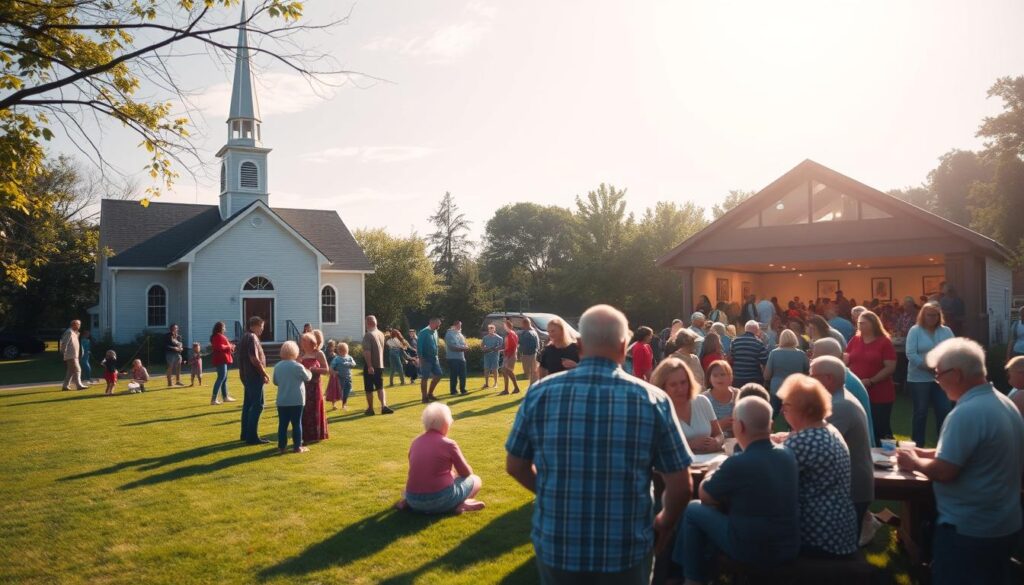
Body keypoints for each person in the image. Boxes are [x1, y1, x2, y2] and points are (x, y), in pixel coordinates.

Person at [505, 305, 693, 584]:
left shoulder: (540, 394)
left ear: (580, 345)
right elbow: (680, 486)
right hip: (626, 549)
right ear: (624, 346)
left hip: (559, 547)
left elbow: (516, 466)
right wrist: (664, 525)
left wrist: (548, 491)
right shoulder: (653, 400)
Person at [896, 338, 1024, 585]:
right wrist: (924, 453)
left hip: (970, 529)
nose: (938, 382)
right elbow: (976, 453)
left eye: (938, 375)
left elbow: (945, 471)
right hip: (1004, 523)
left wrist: (913, 462)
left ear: (956, 374)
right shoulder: (1003, 402)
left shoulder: (967, 413)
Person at [673, 397, 800, 584]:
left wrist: (714, 470)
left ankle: (691, 577)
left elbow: (705, 496)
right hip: (788, 546)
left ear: (739, 426)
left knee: (693, 509)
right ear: (771, 425)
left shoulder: (738, 463)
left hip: (750, 548)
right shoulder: (787, 455)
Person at [777, 374, 859, 558]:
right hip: (842, 531)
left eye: (787, 405)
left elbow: (770, 477)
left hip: (818, 536)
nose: (782, 410)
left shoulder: (804, 441)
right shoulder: (829, 430)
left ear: (804, 410)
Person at [810, 356, 874, 540]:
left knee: (841, 547)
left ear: (828, 378)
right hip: (851, 485)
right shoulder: (840, 399)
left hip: (851, 489)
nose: (809, 380)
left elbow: (818, 444)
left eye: (813, 376)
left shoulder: (839, 406)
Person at [398, 403, 484, 514]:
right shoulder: (449, 444)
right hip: (439, 500)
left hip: (412, 499)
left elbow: (420, 470)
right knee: (476, 480)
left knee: (433, 482)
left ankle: (407, 502)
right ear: (446, 424)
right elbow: (466, 473)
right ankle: (461, 504)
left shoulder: (415, 442)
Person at [905, 301, 955, 446]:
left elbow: (953, 350)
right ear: (923, 315)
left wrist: (943, 367)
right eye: (929, 315)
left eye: (935, 315)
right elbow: (911, 354)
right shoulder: (915, 330)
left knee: (944, 410)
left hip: (942, 377)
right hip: (919, 378)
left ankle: (944, 445)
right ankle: (918, 444)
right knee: (921, 412)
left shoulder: (946, 331)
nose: (932, 318)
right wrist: (927, 366)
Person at [811, 337, 877, 446]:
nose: (811, 359)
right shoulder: (843, 377)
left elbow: (823, 441)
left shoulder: (844, 385)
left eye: (814, 355)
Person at [845, 310, 897, 444]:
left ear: (873, 324)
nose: (860, 326)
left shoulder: (884, 342)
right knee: (861, 427)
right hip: (858, 390)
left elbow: (890, 367)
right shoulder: (855, 340)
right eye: (858, 323)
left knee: (880, 428)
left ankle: (886, 458)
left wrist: (871, 381)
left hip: (879, 392)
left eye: (863, 323)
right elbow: (847, 358)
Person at [651, 357, 723, 454]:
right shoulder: (658, 411)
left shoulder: (702, 401)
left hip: (709, 463)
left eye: (683, 382)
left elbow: (719, 434)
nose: (680, 389)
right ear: (663, 387)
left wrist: (716, 442)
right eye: (673, 385)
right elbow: (656, 447)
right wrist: (690, 444)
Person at [273, 341, 312, 454]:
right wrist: (309, 370)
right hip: (297, 400)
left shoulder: (277, 366)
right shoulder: (298, 366)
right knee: (296, 423)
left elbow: (276, 382)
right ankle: (297, 446)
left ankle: (282, 447)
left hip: (282, 400)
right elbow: (307, 378)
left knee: (282, 424)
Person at [238, 316, 270, 445]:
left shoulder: (244, 337)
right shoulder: (252, 337)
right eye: (261, 326)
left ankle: (245, 434)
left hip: (246, 376)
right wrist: (264, 373)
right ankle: (252, 437)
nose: (262, 329)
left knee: (247, 405)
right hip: (254, 376)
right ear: (255, 325)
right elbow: (254, 358)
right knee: (258, 405)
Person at [764, 329, 810, 411]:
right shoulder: (801, 354)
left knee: (774, 414)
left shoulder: (774, 353)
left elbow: (767, 376)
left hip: (777, 388)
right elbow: (808, 370)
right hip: (795, 389)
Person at [299, 332, 329, 443]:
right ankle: (305, 435)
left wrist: (314, 369)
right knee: (304, 409)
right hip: (303, 386)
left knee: (315, 409)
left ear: (311, 343)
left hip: (315, 385)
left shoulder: (318, 354)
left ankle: (316, 434)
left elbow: (326, 370)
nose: (302, 343)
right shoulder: (301, 354)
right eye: (302, 341)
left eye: (304, 341)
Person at [363, 316, 394, 415]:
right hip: (380, 364)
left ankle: (370, 409)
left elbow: (367, 351)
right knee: (380, 386)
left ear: (367, 323)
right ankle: (384, 406)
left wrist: (369, 365)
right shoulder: (381, 334)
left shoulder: (368, 335)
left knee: (369, 388)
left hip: (371, 365)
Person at [703, 360, 738, 437]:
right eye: (715, 375)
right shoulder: (704, 399)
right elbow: (700, 430)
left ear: (730, 377)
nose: (719, 378)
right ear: (709, 378)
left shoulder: (739, 395)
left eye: (723, 374)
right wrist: (720, 424)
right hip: (714, 443)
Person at [730, 320, 768, 388]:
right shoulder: (759, 343)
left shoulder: (735, 341)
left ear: (745, 329)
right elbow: (765, 362)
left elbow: (730, 358)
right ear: (757, 330)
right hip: (753, 380)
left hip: (737, 378)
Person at [416, 317, 444, 403]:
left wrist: (437, 356)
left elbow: (436, 345)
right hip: (425, 358)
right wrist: (420, 358)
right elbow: (419, 346)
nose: (439, 326)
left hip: (434, 358)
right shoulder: (423, 332)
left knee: (439, 375)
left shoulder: (435, 331)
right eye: (438, 324)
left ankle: (430, 394)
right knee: (425, 377)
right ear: (432, 323)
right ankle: (424, 398)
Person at [209, 322, 236, 405]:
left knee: (224, 378)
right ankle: (213, 399)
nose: (225, 329)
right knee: (221, 378)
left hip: (223, 358)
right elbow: (219, 347)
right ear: (220, 328)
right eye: (224, 327)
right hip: (221, 359)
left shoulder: (218, 336)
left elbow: (223, 346)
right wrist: (229, 346)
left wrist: (230, 347)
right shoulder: (217, 336)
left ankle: (225, 397)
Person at [59, 319, 86, 391]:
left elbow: (77, 344)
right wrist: (63, 351)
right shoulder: (69, 332)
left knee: (70, 371)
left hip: (74, 354)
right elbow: (64, 342)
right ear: (74, 325)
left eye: (79, 324)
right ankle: (79, 385)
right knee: (77, 369)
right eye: (78, 324)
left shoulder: (75, 333)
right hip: (70, 354)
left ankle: (65, 386)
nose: (79, 326)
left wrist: (81, 351)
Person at [328, 342, 356, 411]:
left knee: (347, 390)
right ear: (339, 351)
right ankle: (334, 405)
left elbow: (354, 364)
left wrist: (349, 364)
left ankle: (344, 404)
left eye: (345, 350)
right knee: (336, 391)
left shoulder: (349, 357)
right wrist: (334, 372)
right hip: (339, 378)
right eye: (341, 350)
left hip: (348, 377)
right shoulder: (336, 359)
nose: (343, 352)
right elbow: (331, 367)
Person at [444, 321, 470, 395]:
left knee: (463, 375)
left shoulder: (460, 333)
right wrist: (463, 348)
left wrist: (465, 347)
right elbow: (452, 347)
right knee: (454, 375)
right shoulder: (449, 334)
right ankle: (453, 391)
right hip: (452, 358)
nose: (460, 327)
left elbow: (464, 344)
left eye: (460, 325)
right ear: (454, 325)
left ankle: (463, 390)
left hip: (461, 357)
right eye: (459, 325)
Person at [498, 318, 521, 395]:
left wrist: (507, 354)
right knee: (505, 371)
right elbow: (510, 346)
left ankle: (514, 388)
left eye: (504, 325)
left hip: (510, 355)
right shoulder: (510, 333)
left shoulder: (511, 334)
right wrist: (504, 350)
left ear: (507, 326)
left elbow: (514, 346)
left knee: (508, 371)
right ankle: (507, 390)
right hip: (509, 355)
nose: (503, 326)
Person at [518, 322, 541, 387]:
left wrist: (519, 352)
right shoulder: (534, 332)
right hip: (532, 353)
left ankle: (533, 386)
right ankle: (533, 385)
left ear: (526, 324)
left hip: (529, 354)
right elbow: (538, 344)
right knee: (532, 371)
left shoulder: (527, 333)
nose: (522, 326)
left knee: (530, 372)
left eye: (523, 324)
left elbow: (520, 342)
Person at [481, 324, 503, 388]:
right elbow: (482, 345)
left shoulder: (499, 337)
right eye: (490, 328)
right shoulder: (485, 337)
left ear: (494, 329)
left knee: (494, 369)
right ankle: (486, 384)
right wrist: (484, 349)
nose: (491, 330)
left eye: (492, 328)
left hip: (494, 355)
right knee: (486, 369)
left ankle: (495, 383)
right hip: (487, 355)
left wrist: (496, 348)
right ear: (488, 330)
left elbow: (501, 346)